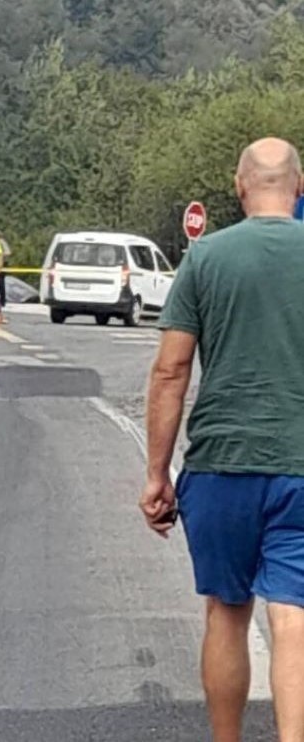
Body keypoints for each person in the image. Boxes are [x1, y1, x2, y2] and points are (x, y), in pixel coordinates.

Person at [141, 137, 304, 742]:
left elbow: (171, 370)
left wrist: (158, 475)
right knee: (294, 617)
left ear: (239, 188)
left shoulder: (205, 259)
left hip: (221, 466)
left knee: (227, 612)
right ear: (299, 184)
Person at [0, 230, 12, 308]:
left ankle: (2, 300)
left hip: (2, 264)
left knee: (0, 282)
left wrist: (0, 255)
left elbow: (8, 252)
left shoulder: (1, 242)